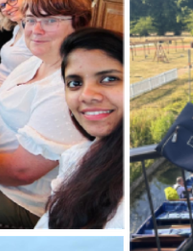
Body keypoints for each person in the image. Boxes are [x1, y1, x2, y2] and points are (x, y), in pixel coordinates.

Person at [0, 0, 91, 230]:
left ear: (78, 24)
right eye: (30, 19)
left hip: (18, 195)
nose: (35, 29)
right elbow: (0, 103)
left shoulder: (68, 89)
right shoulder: (36, 61)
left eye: (50, 20)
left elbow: (22, 171)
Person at [34, 27, 126, 231]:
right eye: (75, 83)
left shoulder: (124, 212)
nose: (87, 95)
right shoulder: (80, 155)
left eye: (109, 79)